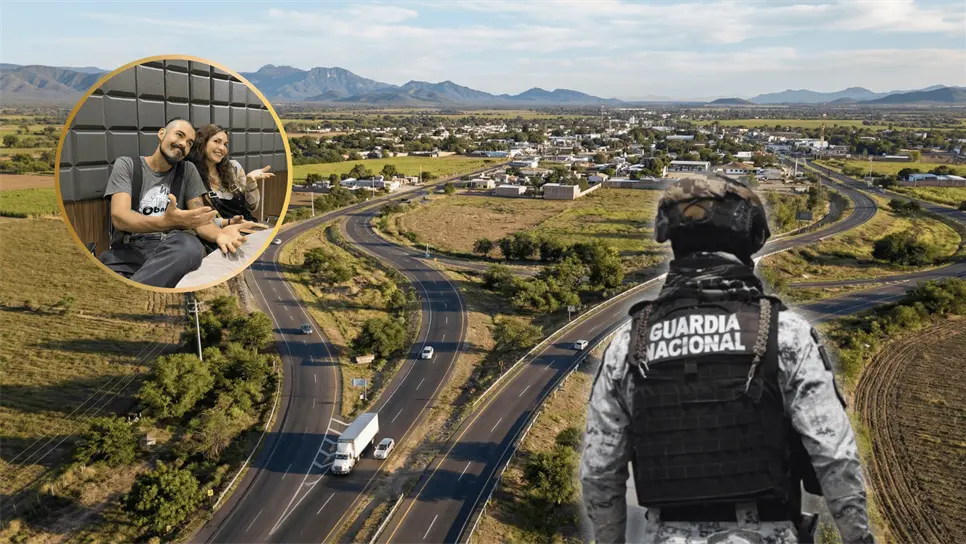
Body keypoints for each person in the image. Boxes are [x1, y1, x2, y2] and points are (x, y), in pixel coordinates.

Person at [580, 177, 875, 544]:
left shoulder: (630, 341)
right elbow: (834, 456)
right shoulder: (785, 333)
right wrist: (858, 537)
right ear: (750, 238)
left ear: (672, 239)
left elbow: (599, 471)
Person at [98, 118, 254, 288]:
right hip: (130, 249)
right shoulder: (127, 165)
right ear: (161, 133)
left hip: (173, 248)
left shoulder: (188, 171)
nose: (183, 144)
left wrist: (220, 234)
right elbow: (120, 218)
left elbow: (200, 220)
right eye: (179, 135)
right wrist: (165, 222)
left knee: (191, 248)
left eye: (189, 143)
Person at [185, 123, 274, 227]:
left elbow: (252, 207)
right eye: (217, 141)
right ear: (202, 143)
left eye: (225, 144)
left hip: (248, 227)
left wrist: (250, 182)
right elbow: (198, 220)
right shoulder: (191, 172)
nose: (222, 148)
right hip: (219, 232)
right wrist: (230, 222)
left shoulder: (233, 168)